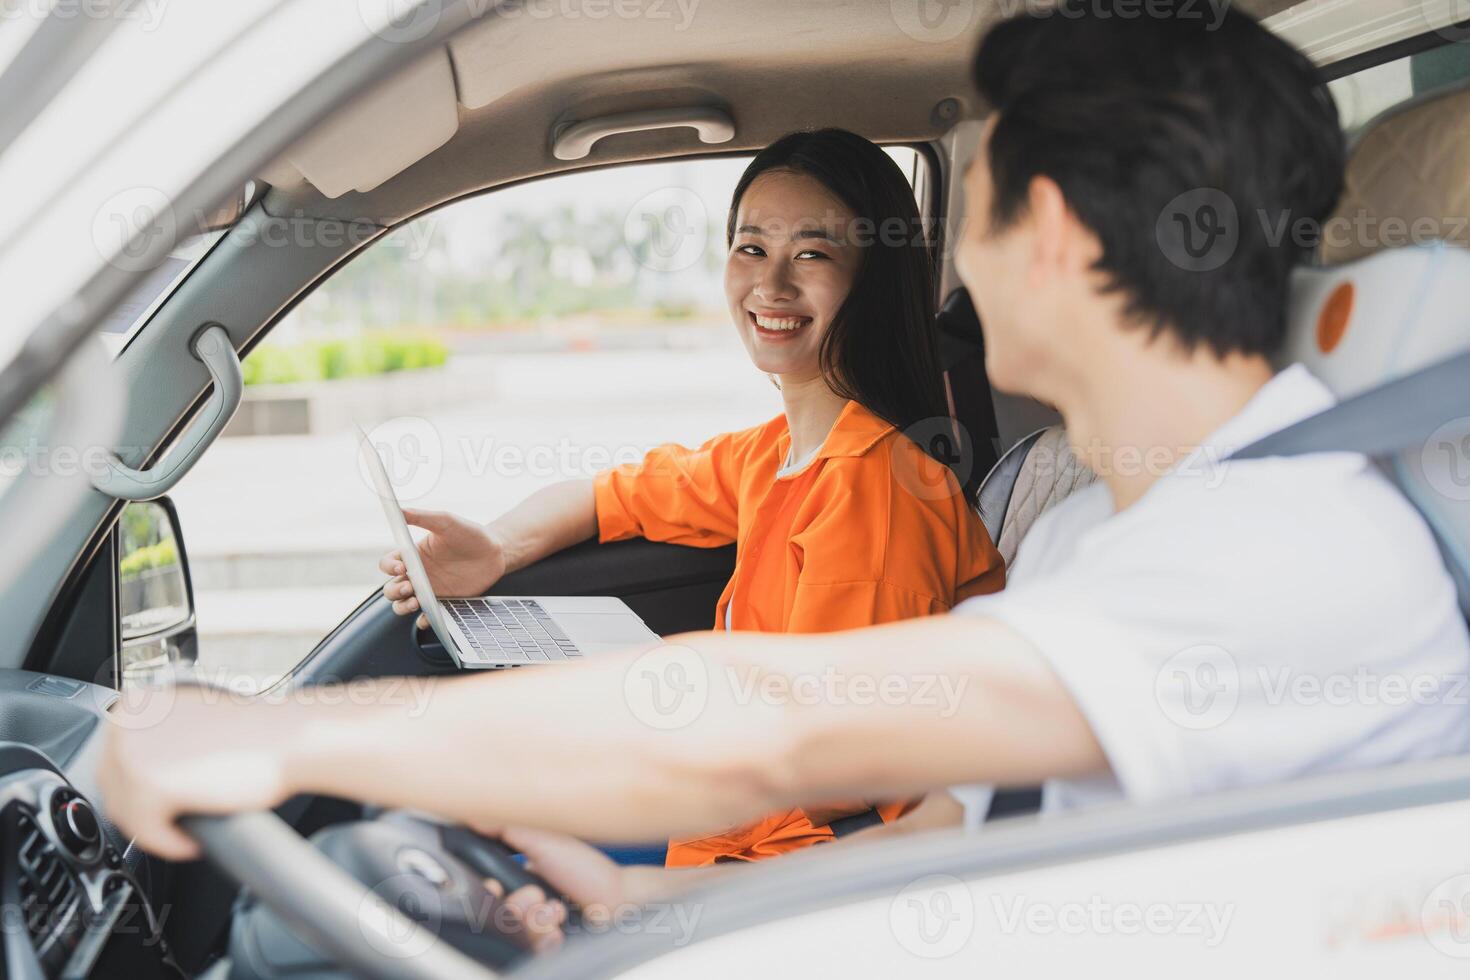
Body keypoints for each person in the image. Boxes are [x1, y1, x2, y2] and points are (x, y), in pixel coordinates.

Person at [100, 0, 1470, 942]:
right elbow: (952, 821)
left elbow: (778, 722)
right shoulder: (1103, 533)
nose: (952, 259)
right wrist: (658, 917)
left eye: (970, 194)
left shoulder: (1285, 547)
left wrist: (290, 734)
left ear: (1041, 232)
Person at [378, 127, 1005, 867]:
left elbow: (834, 757)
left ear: (872, 280)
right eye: (751, 248)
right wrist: (496, 549)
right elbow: (607, 496)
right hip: (742, 823)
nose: (771, 284)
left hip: (807, 864)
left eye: (812, 253)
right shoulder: (774, 452)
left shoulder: (871, 485)